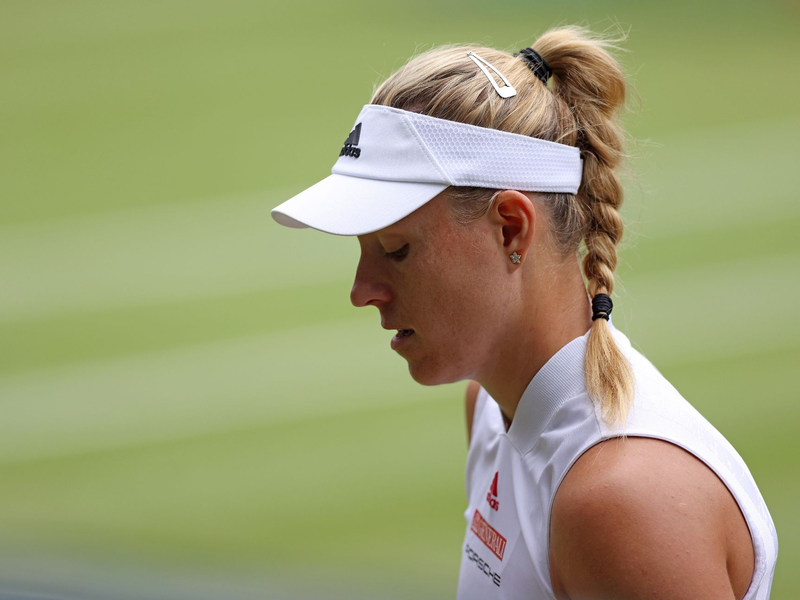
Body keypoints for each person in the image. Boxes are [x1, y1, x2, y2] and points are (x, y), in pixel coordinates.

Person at [270, 25, 777, 600]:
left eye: (396, 250)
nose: (363, 291)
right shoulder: (490, 407)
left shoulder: (620, 500)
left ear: (511, 227)